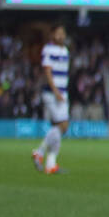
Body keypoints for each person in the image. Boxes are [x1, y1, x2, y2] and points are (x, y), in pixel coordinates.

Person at [31, 23, 70, 175]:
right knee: (63, 125)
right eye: (58, 33)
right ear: (53, 35)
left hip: (62, 92)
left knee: (60, 128)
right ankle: (39, 152)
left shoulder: (65, 50)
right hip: (52, 93)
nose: (61, 36)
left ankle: (50, 165)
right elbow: (47, 71)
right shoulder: (48, 49)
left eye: (63, 33)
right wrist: (55, 91)